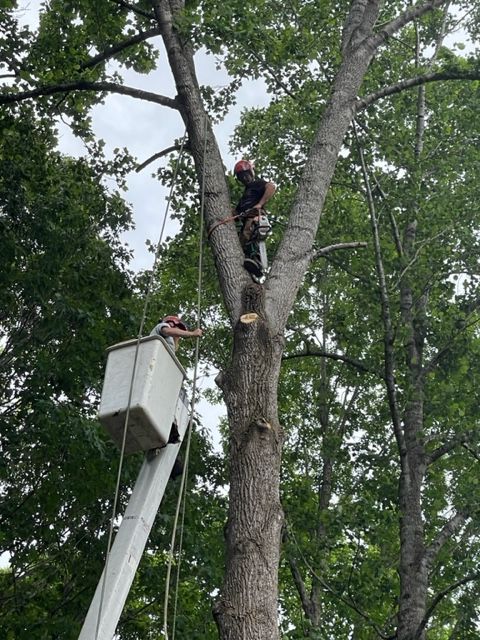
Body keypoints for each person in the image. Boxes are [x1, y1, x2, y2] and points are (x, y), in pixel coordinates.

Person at [149, 315, 202, 478]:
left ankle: (164, 446)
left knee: (165, 414)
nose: (178, 336)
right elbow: (169, 330)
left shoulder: (169, 348)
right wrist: (193, 334)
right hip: (153, 373)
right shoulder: (162, 328)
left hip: (160, 377)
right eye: (178, 331)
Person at [234, 159, 276, 278]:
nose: (245, 178)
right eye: (242, 177)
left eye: (246, 175)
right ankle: (250, 266)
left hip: (255, 216)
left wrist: (260, 204)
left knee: (251, 233)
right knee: (242, 241)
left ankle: (257, 260)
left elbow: (271, 187)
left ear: (251, 172)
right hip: (245, 220)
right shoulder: (245, 195)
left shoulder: (257, 184)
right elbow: (236, 212)